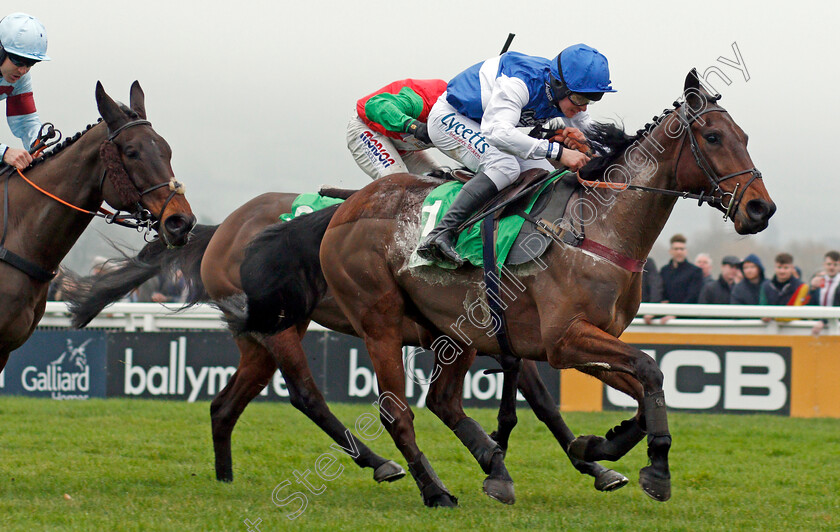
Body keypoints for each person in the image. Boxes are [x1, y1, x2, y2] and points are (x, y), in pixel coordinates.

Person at [417, 43, 615, 265]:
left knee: (548, 174)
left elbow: (591, 133)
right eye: (580, 100)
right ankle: (441, 233)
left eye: (590, 101)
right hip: (450, 118)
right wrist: (558, 152)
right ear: (559, 86)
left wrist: (596, 151)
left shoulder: (564, 92)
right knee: (504, 166)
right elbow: (496, 132)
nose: (584, 108)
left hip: (485, 125)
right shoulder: (520, 82)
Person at [347, 79, 448, 180]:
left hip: (404, 147)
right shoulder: (425, 100)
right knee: (398, 182)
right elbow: (373, 105)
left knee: (440, 182)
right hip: (367, 127)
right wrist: (413, 126)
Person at [0, 13, 49, 170]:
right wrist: (4, 153)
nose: (23, 70)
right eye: (18, 61)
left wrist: (37, 144)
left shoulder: (21, 78)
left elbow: (25, 121)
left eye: (31, 63)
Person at [660, 234, 704, 304]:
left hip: (686, 312)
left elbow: (693, 295)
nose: (679, 252)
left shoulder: (695, 271)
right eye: (676, 249)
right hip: (667, 312)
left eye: (682, 249)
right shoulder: (664, 270)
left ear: (686, 251)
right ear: (670, 251)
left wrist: (676, 313)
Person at [808, 250, 840, 335]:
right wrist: (812, 290)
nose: (832, 267)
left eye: (835, 265)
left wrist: (824, 321)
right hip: (817, 327)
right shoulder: (820, 281)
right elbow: (809, 305)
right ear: (824, 265)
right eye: (829, 264)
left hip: (836, 327)